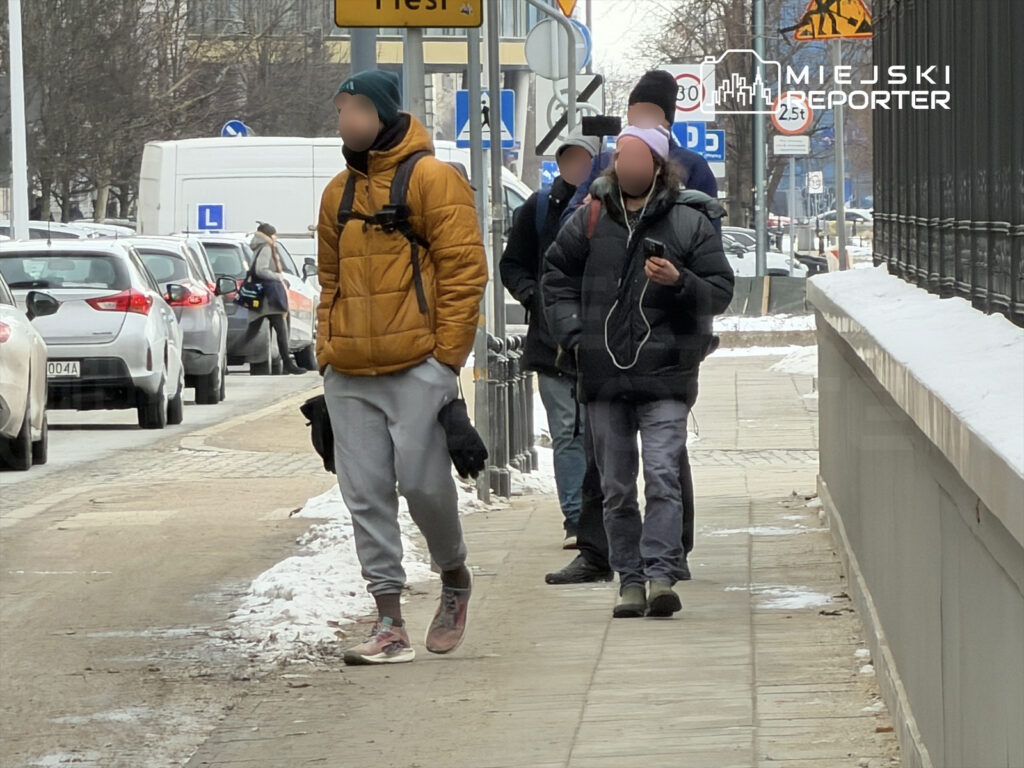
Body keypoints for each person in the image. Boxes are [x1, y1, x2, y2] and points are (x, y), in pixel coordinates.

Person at [316, 69, 488, 664]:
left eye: (356, 108)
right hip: (349, 372)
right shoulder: (336, 191)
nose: (345, 120)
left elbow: (466, 273)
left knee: (422, 486)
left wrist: (446, 360)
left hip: (417, 363)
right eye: (340, 110)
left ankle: (455, 575)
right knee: (364, 495)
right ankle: (389, 622)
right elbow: (329, 282)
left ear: (384, 113)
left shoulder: (435, 181)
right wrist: (325, 352)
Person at [542, 125, 733, 618]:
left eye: (637, 157)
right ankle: (629, 579)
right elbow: (555, 277)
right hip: (604, 374)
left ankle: (662, 575)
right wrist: (574, 336)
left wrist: (680, 281)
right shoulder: (588, 218)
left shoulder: (688, 221)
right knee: (617, 486)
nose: (627, 165)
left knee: (664, 475)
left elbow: (720, 290)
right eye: (620, 157)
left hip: (667, 373)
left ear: (656, 166)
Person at [500, 129, 600, 549]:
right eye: (567, 160)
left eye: (582, 160)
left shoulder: (608, 206)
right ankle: (576, 518)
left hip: (602, 341)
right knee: (567, 430)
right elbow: (512, 264)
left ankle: (604, 513)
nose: (574, 168)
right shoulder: (539, 208)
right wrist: (533, 296)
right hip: (552, 342)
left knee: (601, 434)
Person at [245, 221, 305, 375]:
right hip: (268, 295)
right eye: (274, 234)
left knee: (254, 329)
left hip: (262, 294)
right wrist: (278, 276)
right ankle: (287, 363)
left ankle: (231, 354)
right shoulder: (266, 247)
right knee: (280, 328)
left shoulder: (258, 247)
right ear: (269, 235)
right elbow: (260, 270)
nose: (275, 237)